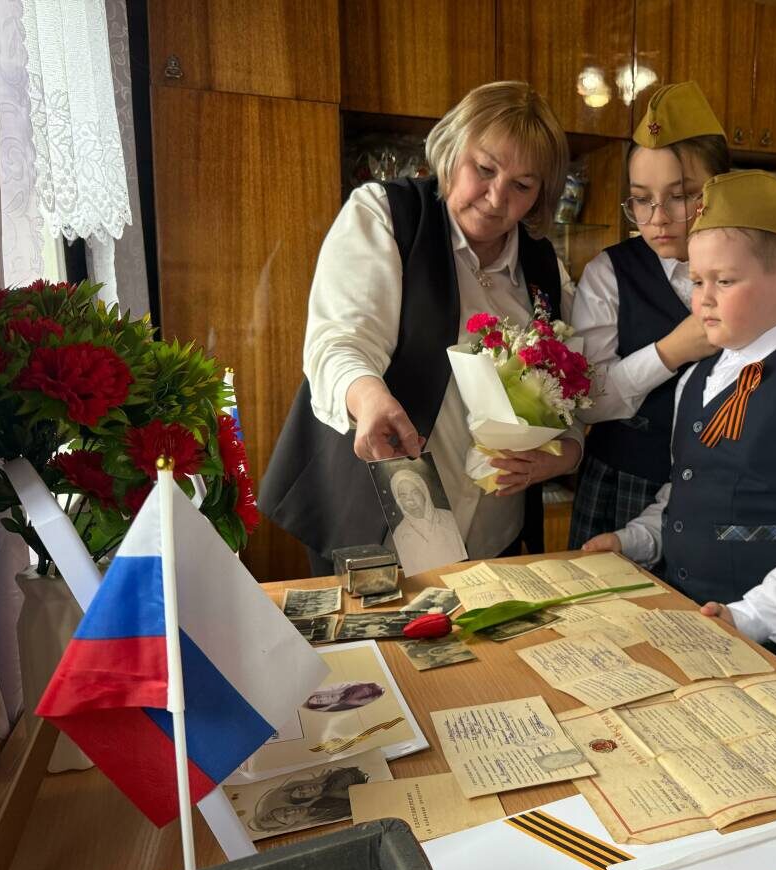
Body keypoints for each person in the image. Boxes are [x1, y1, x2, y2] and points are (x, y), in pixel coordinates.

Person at [260, 82, 580, 574]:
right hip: (377, 522)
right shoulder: (387, 215)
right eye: (485, 169)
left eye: (523, 185)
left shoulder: (543, 266)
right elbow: (339, 340)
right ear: (453, 151)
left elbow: (573, 384)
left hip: (495, 533)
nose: (496, 199)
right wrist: (368, 397)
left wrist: (563, 454)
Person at [584, 171, 776, 676]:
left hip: (768, 648)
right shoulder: (695, 377)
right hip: (688, 623)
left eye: (725, 281)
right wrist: (634, 540)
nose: (705, 299)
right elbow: (684, 494)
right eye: (696, 281)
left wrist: (751, 617)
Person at [568, 82, 726, 547]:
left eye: (680, 196)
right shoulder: (608, 274)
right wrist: (669, 352)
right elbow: (590, 400)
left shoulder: (752, 273)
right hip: (625, 484)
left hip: (720, 485)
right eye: (641, 199)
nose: (657, 217)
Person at [389, 468, 467, 575]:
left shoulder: (449, 518)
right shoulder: (399, 533)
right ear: (398, 500)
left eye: (415, 492)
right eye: (403, 496)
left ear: (424, 493)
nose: (410, 500)